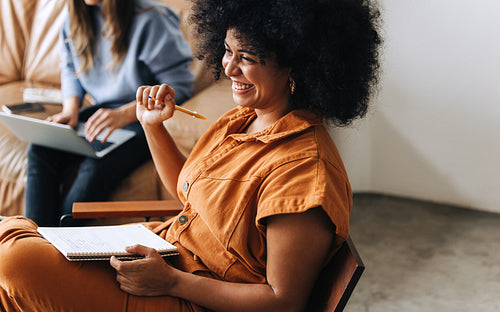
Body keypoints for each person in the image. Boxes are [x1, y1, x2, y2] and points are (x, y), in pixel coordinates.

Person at [0, 0, 381, 310]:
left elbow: (283, 302)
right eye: (228, 51)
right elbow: (188, 192)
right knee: (8, 248)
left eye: (246, 56)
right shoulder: (241, 121)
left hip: (184, 295)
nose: (228, 67)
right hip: (160, 255)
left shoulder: (304, 171)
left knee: (14, 260)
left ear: (298, 66)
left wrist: (171, 281)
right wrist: (151, 125)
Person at [24, 0, 194, 226]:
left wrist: (125, 114)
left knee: (97, 162)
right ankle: (32, 240)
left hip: (142, 119)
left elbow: (179, 86)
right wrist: (71, 109)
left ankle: (60, 243)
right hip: (102, 111)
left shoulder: (152, 19)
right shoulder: (76, 16)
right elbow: (71, 67)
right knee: (41, 146)